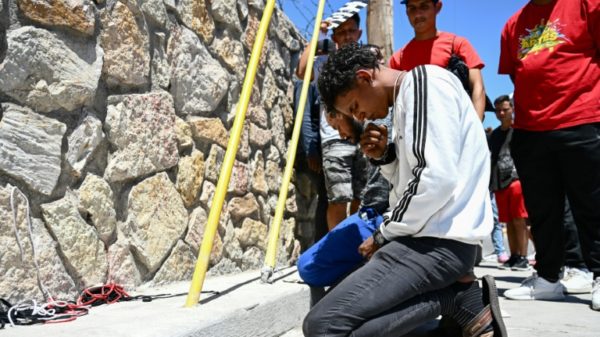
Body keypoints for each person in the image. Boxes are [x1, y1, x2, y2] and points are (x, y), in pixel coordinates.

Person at [303, 43, 506, 337]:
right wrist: (386, 156)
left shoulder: (423, 83)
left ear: (364, 77)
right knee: (343, 323)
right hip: (427, 239)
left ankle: (453, 298)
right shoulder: (407, 100)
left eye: (354, 106)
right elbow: (418, 178)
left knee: (324, 325)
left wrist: (384, 233)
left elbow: (435, 180)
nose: (359, 117)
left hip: (436, 244)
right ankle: (458, 300)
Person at [499, 0, 600, 311]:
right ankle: (547, 278)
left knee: (592, 204)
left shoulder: (587, 5)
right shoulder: (514, 24)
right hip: (531, 129)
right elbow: (519, 74)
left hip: (582, 119)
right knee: (542, 212)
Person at [297, 112, 390, 306]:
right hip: (374, 216)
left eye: (338, 125)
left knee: (308, 267)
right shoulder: (370, 130)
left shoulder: (381, 125)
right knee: (307, 265)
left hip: (385, 220)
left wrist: (381, 235)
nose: (340, 135)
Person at [296, 13, 367, 230]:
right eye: (341, 32)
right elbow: (301, 71)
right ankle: (337, 250)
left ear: (359, 33)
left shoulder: (367, 59)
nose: (347, 36)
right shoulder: (324, 63)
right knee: (338, 198)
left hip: (364, 136)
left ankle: (356, 248)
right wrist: (320, 33)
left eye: (351, 31)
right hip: (334, 139)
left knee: (361, 198)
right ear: (335, 36)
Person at [390, 0, 488, 120]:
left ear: (438, 7)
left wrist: (475, 130)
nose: (418, 14)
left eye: (424, 6)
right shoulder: (399, 58)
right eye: (412, 8)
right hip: (414, 133)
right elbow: (392, 101)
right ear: (406, 12)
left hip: (456, 127)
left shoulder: (457, 45)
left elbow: (478, 87)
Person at [489, 95, 530, 271]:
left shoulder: (520, 130)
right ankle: (514, 255)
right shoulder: (495, 134)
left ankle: (523, 256)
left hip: (516, 179)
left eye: (505, 109)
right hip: (499, 182)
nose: (501, 113)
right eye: (498, 110)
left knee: (519, 220)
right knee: (508, 222)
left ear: (512, 109)